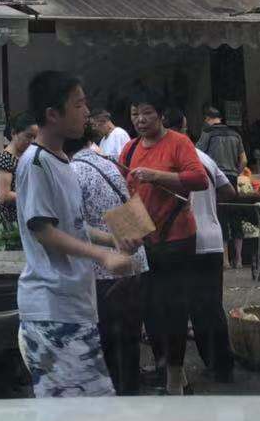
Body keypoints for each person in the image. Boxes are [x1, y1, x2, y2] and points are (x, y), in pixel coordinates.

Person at [16, 71, 136, 399]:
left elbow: (75, 226)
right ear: (52, 115)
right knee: (78, 413)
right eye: (79, 105)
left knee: (84, 410)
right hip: (52, 306)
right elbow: (44, 232)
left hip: (73, 303)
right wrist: (103, 256)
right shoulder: (36, 163)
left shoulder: (63, 162)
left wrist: (112, 240)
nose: (87, 112)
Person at [121, 96, 206, 397]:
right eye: (135, 113)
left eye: (146, 112)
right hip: (144, 241)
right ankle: (164, 366)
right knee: (149, 309)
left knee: (174, 309)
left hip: (177, 238)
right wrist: (127, 236)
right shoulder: (130, 148)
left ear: (160, 115)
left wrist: (156, 175)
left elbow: (199, 179)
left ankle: (174, 378)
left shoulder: (178, 142)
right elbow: (123, 192)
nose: (140, 119)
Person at [70, 117, 149, 395]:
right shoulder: (109, 163)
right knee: (128, 343)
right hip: (134, 263)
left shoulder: (73, 171)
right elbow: (131, 212)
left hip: (105, 270)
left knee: (107, 346)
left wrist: (112, 243)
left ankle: (114, 403)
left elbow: (75, 226)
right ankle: (131, 396)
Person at [188, 144, 239, 382]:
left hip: (186, 239)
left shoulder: (169, 156)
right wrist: (208, 205)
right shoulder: (205, 158)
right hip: (212, 238)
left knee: (194, 306)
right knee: (211, 305)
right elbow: (229, 191)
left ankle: (213, 363)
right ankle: (221, 364)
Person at [196, 105, 247, 268]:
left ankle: (225, 260)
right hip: (232, 178)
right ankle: (239, 259)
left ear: (207, 119)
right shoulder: (235, 134)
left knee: (221, 216)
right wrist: (236, 172)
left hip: (217, 179)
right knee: (236, 216)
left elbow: (197, 156)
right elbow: (244, 160)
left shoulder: (208, 133)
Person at [0, 112, 38, 224]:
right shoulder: (5, 159)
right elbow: (4, 196)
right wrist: (35, 198)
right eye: (28, 136)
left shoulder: (28, 157)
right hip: (10, 222)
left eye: (34, 137)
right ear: (13, 133)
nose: (32, 141)